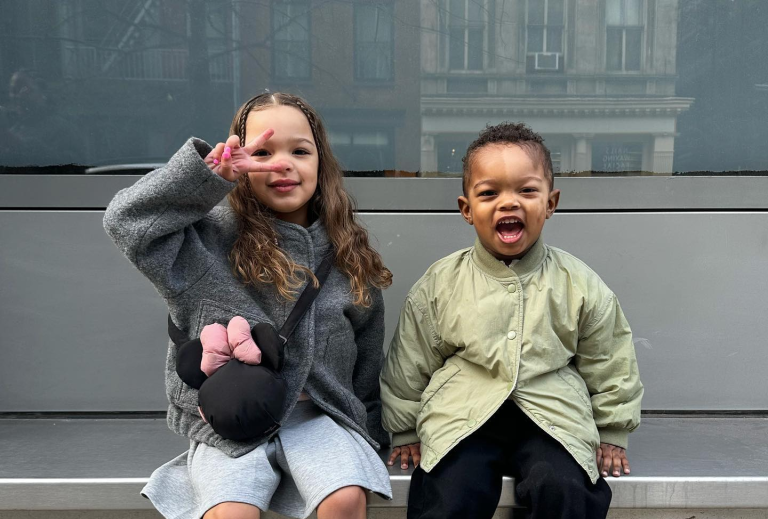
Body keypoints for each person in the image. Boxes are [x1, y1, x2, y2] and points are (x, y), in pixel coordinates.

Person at [104, 92, 393, 519]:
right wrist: (207, 178)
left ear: (322, 163)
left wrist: (371, 432)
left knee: (345, 498)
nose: (282, 164)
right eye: (262, 153)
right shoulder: (204, 240)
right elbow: (125, 221)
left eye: (300, 151)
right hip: (231, 420)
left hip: (320, 416)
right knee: (233, 509)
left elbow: (366, 358)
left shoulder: (347, 253)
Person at [380, 122, 644, 519]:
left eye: (527, 191)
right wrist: (404, 428)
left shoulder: (578, 284)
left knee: (565, 490)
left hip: (551, 416)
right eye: (489, 193)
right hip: (463, 415)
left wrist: (612, 429)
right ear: (467, 209)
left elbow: (609, 359)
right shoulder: (440, 284)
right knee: (449, 495)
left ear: (551, 203)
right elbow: (410, 359)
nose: (508, 203)